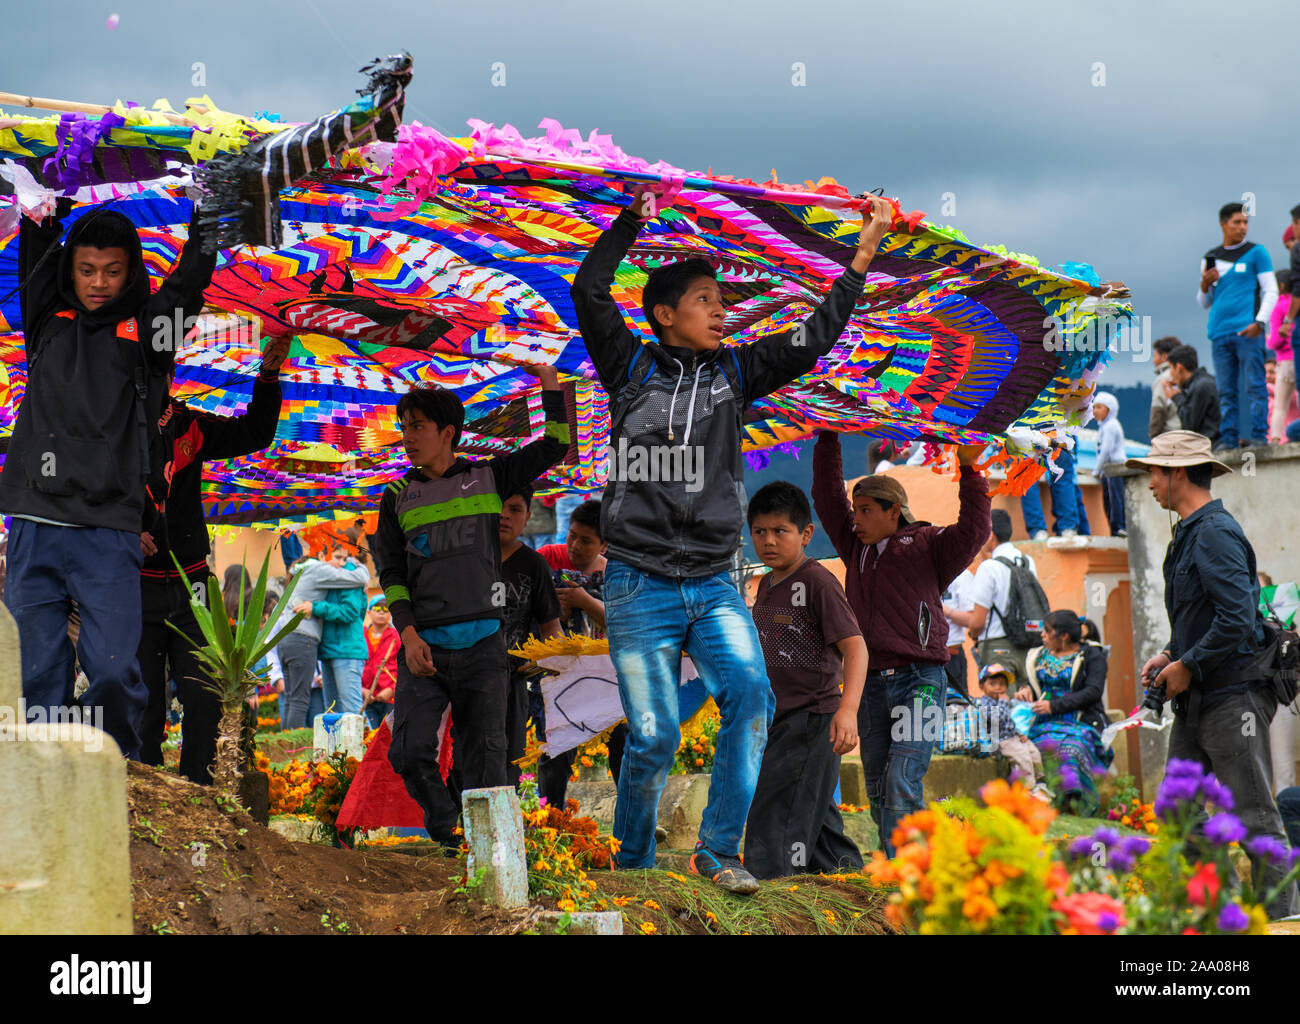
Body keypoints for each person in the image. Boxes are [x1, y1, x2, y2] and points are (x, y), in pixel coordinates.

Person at [571, 180, 896, 892]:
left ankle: (717, 852)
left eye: (724, 302)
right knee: (654, 736)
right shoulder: (628, 367)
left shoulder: (735, 373)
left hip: (716, 582)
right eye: (705, 302)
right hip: (637, 583)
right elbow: (590, 287)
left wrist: (861, 255)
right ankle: (632, 868)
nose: (722, 313)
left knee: (752, 695)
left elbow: (813, 339)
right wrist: (632, 217)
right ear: (664, 315)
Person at [1, 196, 217, 760]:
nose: (98, 283)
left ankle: (115, 770)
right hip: (34, 519)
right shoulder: (46, 320)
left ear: (131, 271)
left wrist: (209, 223)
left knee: (117, 671)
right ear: (70, 268)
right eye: (87, 269)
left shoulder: (150, 338)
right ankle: (41, 775)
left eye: (113, 271)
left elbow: (186, 289)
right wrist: (39, 211)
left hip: (109, 528)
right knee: (36, 675)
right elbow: (37, 254)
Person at [376, 366, 567, 850]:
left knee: (484, 760)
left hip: (485, 648)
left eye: (417, 426)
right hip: (424, 650)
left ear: (447, 434)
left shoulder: (488, 477)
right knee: (409, 750)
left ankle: (483, 857)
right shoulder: (397, 495)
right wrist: (409, 634)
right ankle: (448, 827)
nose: (407, 436)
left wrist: (548, 382)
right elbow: (392, 573)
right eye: (404, 426)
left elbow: (555, 446)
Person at [1128, 430, 1298, 918]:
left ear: (1178, 472)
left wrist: (1189, 664)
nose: (1151, 483)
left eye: (1155, 473)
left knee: (1256, 820)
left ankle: (1284, 923)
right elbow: (1200, 617)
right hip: (1198, 697)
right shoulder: (1188, 532)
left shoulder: (1216, 532)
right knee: (1178, 812)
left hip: (1232, 698)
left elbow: (1238, 619)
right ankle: (1223, 914)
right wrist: (1169, 654)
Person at [813, 432, 989, 857]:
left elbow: (976, 528)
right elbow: (825, 494)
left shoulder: (930, 545)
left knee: (901, 778)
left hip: (923, 681)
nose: (855, 518)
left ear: (895, 511)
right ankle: (918, 861)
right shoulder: (854, 548)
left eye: (867, 510)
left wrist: (970, 468)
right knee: (877, 785)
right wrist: (827, 429)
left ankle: (904, 873)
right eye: (855, 510)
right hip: (870, 684)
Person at [137, 342, 285, 782]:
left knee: (204, 693)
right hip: (133, 583)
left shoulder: (190, 427)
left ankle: (200, 798)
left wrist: (269, 376)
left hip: (194, 586)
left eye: (158, 374)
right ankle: (148, 803)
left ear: (170, 379)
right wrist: (124, 530)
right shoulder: (108, 429)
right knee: (144, 700)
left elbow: (256, 434)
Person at [743, 481, 866, 879]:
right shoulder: (765, 586)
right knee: (819, 826)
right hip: (779, 721)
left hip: (813, 719)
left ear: (806, 534)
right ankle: (860, 896)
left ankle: (770, 902)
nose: (769, 541)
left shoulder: (818, 582)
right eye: (759, 532)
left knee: (773, 817)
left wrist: (847, 711)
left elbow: (856, 648)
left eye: (781, 531)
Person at [536, 496, 610, 802]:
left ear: (604, 546)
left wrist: (584, 602)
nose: (575, 546)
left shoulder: (614, 572)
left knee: (620, 742)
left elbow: (622, 619)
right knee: (556, 747)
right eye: (571, 535)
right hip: (555, 672)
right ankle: (550, 814)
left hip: (602, 675)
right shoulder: (546, 557)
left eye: (586, 541)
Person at [1196, 202, 1277, 450]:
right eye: (1237, 222)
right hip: (1220, 332)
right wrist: (1204, 284)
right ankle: (1228, 440)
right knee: (1226, 390)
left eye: (1245, 223)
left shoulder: (1257, 252)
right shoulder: (1210, 257)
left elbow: (1270, 290)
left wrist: (1259, 322)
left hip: (1248, 331)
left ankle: (1260, 437)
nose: (1243, 227)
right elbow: (1204, 302)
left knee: (1255, 385)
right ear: (1223, 224)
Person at [1015, 610, 1112, 814]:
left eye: (1047, 631)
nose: (1042, 635)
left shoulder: (1091, 656)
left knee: (1071, 749)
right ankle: (1037, 802)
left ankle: (1073, 804)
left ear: (1064, 636)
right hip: (1041, 723)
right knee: (1026, 747)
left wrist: (1054, 706)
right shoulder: (1038, 655)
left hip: (1079, 722)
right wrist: (1026, 691)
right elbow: (1034, 685)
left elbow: (1093, 692)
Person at [497, 487, 563, 789]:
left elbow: (551, 629)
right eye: (499, 507)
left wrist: (567, 670)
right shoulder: (466, 560)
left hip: (512, 681)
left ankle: (505, 832)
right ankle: (459, 831)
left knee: (510, 757)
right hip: (465, 679)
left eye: (514, 509)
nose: (504, 516)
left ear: (527, 518)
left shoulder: (533, 564)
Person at [277, 553, 369, 729]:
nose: (337, 561)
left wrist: (316, 607)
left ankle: (370, 752)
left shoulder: (339, 570)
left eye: (342, 556)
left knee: (352, 711)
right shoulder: (321, 570)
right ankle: (294, 751)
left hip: (345, 649)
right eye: (335, 556)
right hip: (322, 647)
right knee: (331, 713)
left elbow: (351, 611)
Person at [967, 509, 1041, 687]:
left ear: (990, 534)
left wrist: (973, 635)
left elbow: (977, 622)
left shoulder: (989, 567)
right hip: (1028, 646)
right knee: (1025, 709)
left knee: (1001, 709)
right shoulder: (1027, 561)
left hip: (996, 647)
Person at [977, 662, 1049, 795]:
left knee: (1034, 753)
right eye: (992, 684)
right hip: (1001, 740)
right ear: (981, 686)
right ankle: (1027, 789)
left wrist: (1019, 733)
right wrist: (1003, 703)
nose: (998, 687)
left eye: (1002, 684)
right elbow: (996, 720)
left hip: (1012, 736)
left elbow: (1009, 722)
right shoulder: (984, 703)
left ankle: (1040, 783)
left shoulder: (1002, 701)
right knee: (1023, 757)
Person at [1020, 439, 1081, 540]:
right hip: (1058, 439)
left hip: (1031, 439)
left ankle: (1038, 531)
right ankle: (1068, 528)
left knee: (1027, 477)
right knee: (1062, 476)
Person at [1164, 345, 1221, 446]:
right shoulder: (1205, 381)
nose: (1170, 374)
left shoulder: (1201, 387)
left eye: (1170, 368)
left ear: (1179, 367)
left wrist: (1176, 397)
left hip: (1209, 446)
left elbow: (1189, 424)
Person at [1267, 270, 1299, 443]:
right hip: (1298, 357)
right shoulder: (1297, 305)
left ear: (1281, 286)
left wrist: (1268, 342)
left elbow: (1275, 341)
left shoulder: (1278, 307)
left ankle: (1275, 439)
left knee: (1280, 405)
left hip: (1285, 362)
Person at [361, 594, 400, 731]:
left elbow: (403, 667)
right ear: (369, 612)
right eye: (377, 608)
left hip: (389, 698)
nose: (382, 612)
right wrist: (361, 689)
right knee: (367, 734)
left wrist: (392, 690)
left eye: (386, 609)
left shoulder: (397, 637)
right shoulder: (360, 635)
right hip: (365, 696)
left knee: (387, 735)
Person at [1092, 392, 1127, 537]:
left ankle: (1119, 528)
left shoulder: (1111, 426)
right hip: (1107, 470)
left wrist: (1096, 470)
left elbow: (1105, 451)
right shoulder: (1104, 426)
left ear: (1109, 409)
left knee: (1115, 500)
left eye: (1099, 407)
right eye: (1094, 407)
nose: (1095, 411)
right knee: (1108, 501)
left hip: (1114, 469)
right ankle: (1114, 529)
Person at [940, 568, 976, 699]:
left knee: (956, 708)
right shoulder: (921, 571)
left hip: (951, 655)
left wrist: (943, 609)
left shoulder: (962, 576)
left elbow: (971, 619)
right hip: (923, 658)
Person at [1149, 336, 1183, 439]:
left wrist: (1154, 437)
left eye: (1155, 356)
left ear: (1164, 356)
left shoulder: (1163, 379)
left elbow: (1158, 411)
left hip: (1169, 437)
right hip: (1189, 435)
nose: (1153, 360)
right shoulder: (1185, 375)